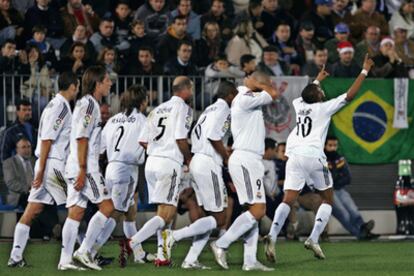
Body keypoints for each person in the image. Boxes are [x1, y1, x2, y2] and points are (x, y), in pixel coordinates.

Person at [264, 55, 375, 263]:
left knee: (288, 199)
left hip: (294, 156)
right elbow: (350, 95)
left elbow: (308, 93)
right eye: (321, 92)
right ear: (317, 96)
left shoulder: (298, 104)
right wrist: (364, 71)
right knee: (328, 199)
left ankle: (272, 235)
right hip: (314, 156)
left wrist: (317, 79)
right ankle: (313, 238)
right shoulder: (323, 108)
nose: (323, 93)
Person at [162, 81, 238, 269]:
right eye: (235, 94)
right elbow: (214, 136)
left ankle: (190, 259)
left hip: (197, 160)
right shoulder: (224, 110)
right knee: (220, 218)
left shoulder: (208, 110)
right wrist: (226, 156)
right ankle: (174, 236)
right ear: (230, 94)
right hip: (208, 163)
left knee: (210, 216)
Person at [7, 72, 79, 268]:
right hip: (53, 164)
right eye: (77, 85)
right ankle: (74, 256)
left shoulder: (54, 104)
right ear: (73, 86)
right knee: (76, 206)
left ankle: (15, 256)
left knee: (33, 209)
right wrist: (41, 171)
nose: (78, 89)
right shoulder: (61, 108)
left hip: (46, 163)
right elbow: (47, 139)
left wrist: (41, 168)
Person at [210, 71, 279, 271]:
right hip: (246, 159)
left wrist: (258, 83)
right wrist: (260, 82)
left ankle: (249, 261)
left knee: (253, 212)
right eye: (263, 82)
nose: (268, 84)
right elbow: (273, 93)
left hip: (249, 160)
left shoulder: (247, 98)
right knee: (259, 210)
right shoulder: (244, 97)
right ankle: (221, 243)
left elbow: (269, 90)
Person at [129, 76, 193, 266]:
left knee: (162, 212)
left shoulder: (156, 109)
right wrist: (189, 159)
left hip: (152, 163)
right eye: (191, 89)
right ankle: (132, 242)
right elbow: (181, 138)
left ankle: (162, 256)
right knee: (167, 214)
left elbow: (142, 140)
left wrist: (157, 148)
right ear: (186, 89)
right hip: (168, 162)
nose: (192, 93)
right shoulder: (183, 108)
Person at [92, 85, 155, 266]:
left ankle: (139, 252)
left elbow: (101, 150)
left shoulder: (112, 120)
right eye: (146, 100)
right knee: (116, 212)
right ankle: (90, 250)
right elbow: (149, 145)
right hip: (127, 170)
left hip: (111, 167)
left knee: (130, 211)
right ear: (142, 102)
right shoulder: (143, 120)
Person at [59, 65, 114, 271]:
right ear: (98, 83)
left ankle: (65, 260)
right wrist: (83, 169)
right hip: (85, 168)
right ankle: (84, 251)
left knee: (76, 212)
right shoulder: (90, 105)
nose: (110, 83)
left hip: (78, 165)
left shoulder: (86, 104)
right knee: (107, 207)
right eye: (107, 80)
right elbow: (82, 138)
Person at [324, 136, 379, 240]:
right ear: (324, 146)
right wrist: (337, 178)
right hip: (328, 192)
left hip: (340, 189)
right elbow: (324, 179)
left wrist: (334, 180)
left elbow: (348, 178)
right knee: (343, 214)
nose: (333, 148)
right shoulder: (320, 160)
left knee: (353, 210)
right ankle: (360, 234)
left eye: (335, 145)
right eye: (330, 145)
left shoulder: (340, 159)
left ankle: (364, 229)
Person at [2, 138, 34, 207]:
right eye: (23, 147)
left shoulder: (35, 161)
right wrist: (29, 188)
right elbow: (11, 183)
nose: (27, 150)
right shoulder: (9, 163)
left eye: (29, 147)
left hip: (35, 193)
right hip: (19, 196)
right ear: (17, 150)